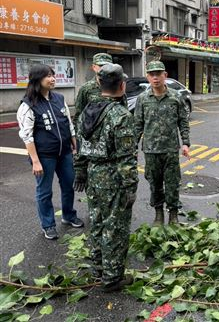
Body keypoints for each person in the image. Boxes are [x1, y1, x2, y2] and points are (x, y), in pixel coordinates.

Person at [74, 63, 138, 292]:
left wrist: (80, 171)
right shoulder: (120, 116)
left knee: (97, 222)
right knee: (116, 227)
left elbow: (80, 147)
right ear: (122, 85)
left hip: (93, 175)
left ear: (99, 83)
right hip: (113, 179)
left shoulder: (87, 112)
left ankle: (98, 267)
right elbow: (127, 158)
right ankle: (112, 278)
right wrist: (131, 186)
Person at [17, 64, 84, 240]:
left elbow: (68, 124)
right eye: (47, 76)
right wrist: (36, 161)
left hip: (65, 153)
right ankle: (48, 224)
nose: (52, 78)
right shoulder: (28, 105)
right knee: (44, 191)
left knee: (68, 184)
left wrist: (74, 144)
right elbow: (27, 136)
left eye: (53, 75)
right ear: (36, 80)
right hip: (44, 156)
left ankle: (69, 215)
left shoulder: (59, 99)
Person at [134, 60, 190, 225]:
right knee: (155, 184)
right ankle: (158, 214)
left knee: (172, 183)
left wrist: (186, 143)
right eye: (152, 74)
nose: (155, 77)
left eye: (159, 74)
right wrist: (132, 148)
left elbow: (183, 122)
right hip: (151, 151)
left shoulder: (175, 97)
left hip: (170, 149)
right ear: (148, 77)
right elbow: (138, 125)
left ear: (165, 75)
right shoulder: (143, 98)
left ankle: (173, 214)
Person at [73, 53, 113, 127]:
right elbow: (79, 113)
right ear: (94, 67)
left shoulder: (116, 86)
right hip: (93, 133)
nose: (104, 68)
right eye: (101, 66)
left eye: (107, 66)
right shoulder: (86, 88)